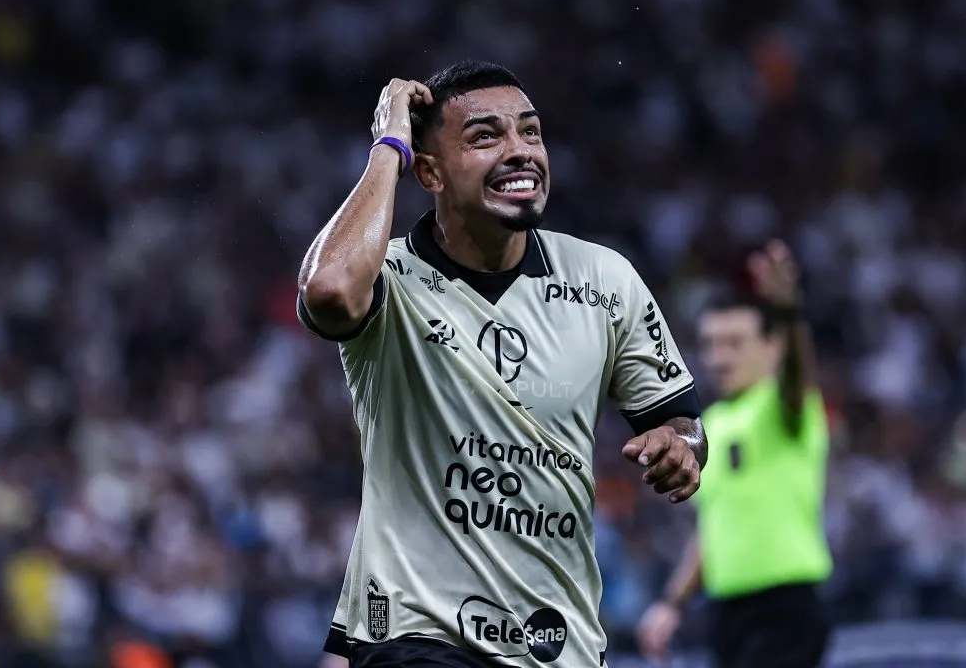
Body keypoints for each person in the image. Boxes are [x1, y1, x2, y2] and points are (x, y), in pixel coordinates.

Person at [297, 60, 709, 667]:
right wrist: (389, 145)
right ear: (429, 170)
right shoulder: (387, 278)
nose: (520, 151)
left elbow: (686, 424)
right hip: (418, 628)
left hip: (557, 637)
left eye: (532, 132)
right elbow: (329, 291)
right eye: (485, 136)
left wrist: (682, 447)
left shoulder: (605, 279)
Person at [636, 241, 833, 668]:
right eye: (712, 343)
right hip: (727, 613)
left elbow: (800, 376)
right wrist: (672, 602)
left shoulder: (784, 408)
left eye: (735, 343)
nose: (719, 357)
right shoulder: (713, 424)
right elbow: (714, 527)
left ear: (773, 346)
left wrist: (790, 313)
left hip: (785, 608)